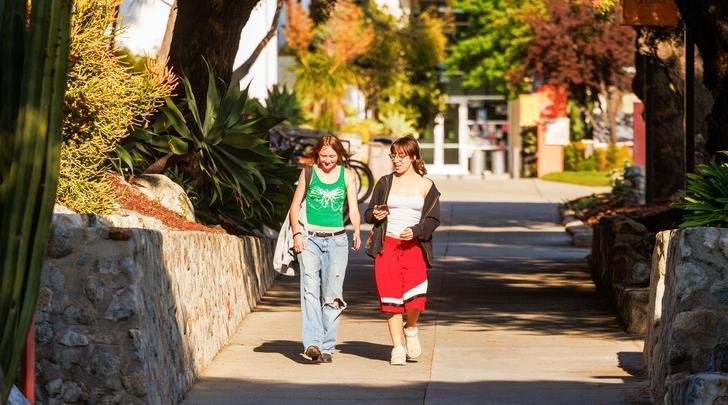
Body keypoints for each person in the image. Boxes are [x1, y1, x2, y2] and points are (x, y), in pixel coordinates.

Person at [364, 134, 441, 365]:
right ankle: (397, 347)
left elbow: (434, 219)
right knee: (391, 297)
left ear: (414, 157)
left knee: (415, 298)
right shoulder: (385, 183)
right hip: (386, 245)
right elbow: (369, 213)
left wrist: (417, 230)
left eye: (401, 156)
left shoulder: (426, 185)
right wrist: (376, 215)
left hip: (413, 247)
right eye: (393, 156)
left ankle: (412, 327)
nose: (396, 160)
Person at [288, 134, 361, 363]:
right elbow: (294, 207)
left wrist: (357, 230)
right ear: (317, 154)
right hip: (310, 240)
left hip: (337, 241)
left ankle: (328, 346)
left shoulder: (347, 175)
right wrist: (297, 234)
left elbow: (353, 207)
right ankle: (312, 343)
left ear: (339, 156)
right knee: (310, 290)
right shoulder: (308, 173)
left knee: (332, 295)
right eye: (323, 155)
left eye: (332, 156)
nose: (327, 160)